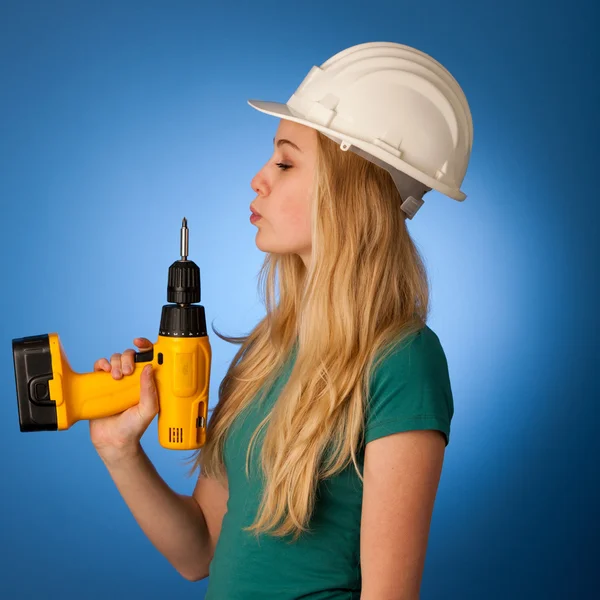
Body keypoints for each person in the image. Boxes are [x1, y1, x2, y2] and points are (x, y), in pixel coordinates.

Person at [91, 42, 473, 599]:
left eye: (286, 161)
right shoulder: (268, 350)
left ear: (349, 193)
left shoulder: (403, 359)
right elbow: (199, 552)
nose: (258, 180)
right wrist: (120, 449)